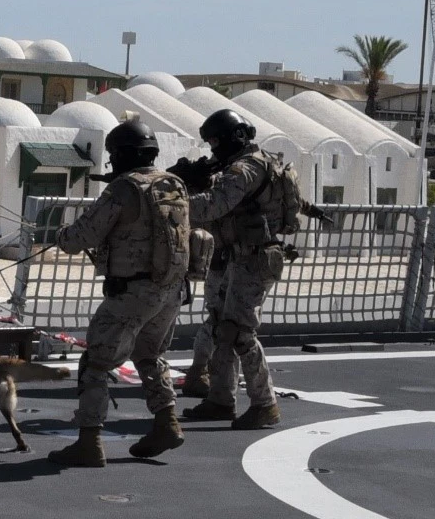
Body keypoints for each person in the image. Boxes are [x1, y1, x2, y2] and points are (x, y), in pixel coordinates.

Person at [47, 116, 190, 467]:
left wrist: (61, 236)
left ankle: (89, 441)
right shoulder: (175, 184)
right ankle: (166, 422)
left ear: (122, 155)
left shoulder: (124, 188)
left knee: (95, 363)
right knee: (149, 356)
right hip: (171, 290)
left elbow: (84, 235)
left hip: (131, 292)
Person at [177, 109, 287, 430]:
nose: (213, 150)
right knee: (220, 326)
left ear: (234, 137)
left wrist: (170, 201)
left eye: (216, 142)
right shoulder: (236, 167)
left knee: (239, 331)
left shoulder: (245, 168)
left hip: (253, 259)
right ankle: (221, 399)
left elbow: (214, 206)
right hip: (235, 257)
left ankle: (265, 404)